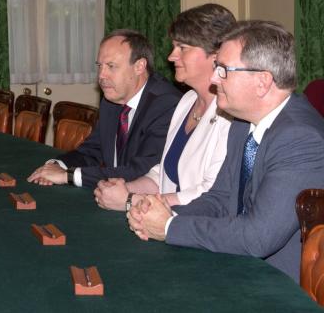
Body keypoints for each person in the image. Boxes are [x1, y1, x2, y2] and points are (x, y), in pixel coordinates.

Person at [127, 20, 324, 282]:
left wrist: (169, 227)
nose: (212, 78)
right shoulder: (242, 122)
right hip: (237, 266)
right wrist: (161, 214)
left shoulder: (300, 138)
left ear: (263, 82)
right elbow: (220, 199)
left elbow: (258, 237)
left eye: (223, 70)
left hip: (281, 286)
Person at [95, 4, 236, 212]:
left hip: (196, 229)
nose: (171, 56)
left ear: (215, 55)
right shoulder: (187, 100)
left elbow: (211, 192)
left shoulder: (231, 115)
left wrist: (132, 200)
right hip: (165, 220)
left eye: (182, 48)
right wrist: (126, 188)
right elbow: (163, 173)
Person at [28, 29, 181, 189]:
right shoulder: (113, 97)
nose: (102, 75)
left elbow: (140, 171)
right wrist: (58, 165)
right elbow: (94, 150)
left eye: (111, 66)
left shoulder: (166, 105)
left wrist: (69, 176)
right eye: (100, 66)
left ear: (139, 66)